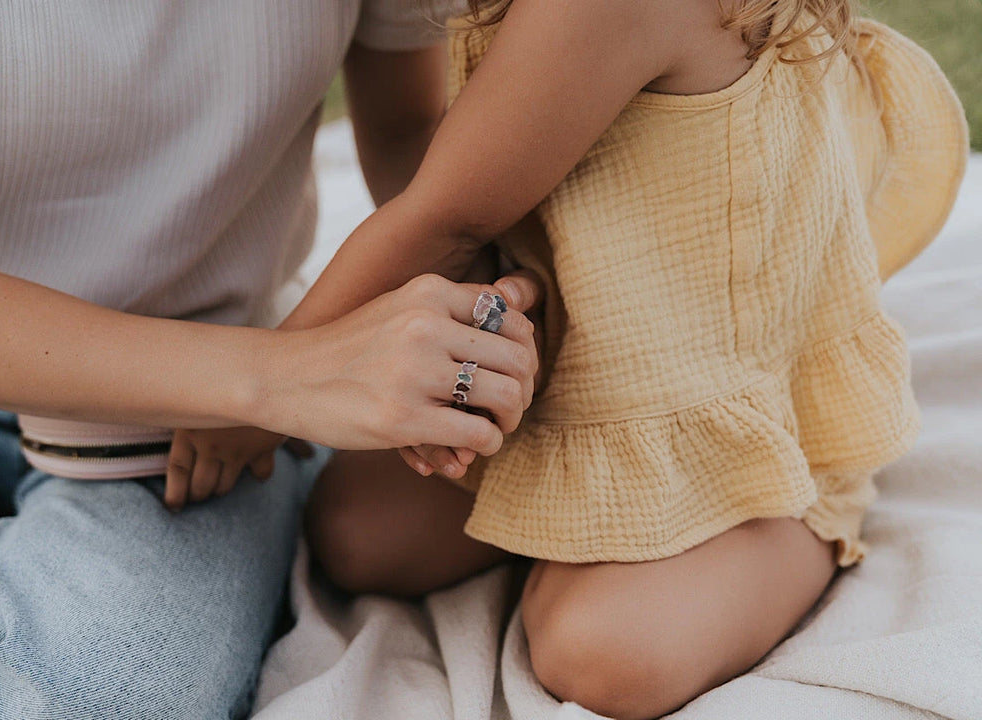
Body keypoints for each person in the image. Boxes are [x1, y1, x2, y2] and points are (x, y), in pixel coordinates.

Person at [261, 0, 963, 718]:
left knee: (594, 652)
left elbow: (446, 216)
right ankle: (576, 503)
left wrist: (263, 387)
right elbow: (448, 175)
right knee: (356, 537)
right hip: (588, 344)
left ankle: (801, 512)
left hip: (711, 379)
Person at [0, 2, 542, 719]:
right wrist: (283, 378)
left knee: (83, 695)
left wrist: (498, 294)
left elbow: (405, 131)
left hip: (192, 431)